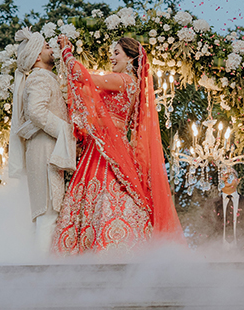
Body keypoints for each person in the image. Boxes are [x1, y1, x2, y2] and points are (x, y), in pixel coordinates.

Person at [52, 35, 182, 253]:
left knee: (106, 197)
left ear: (131, 58)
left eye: (116, 53)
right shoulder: (128, 84)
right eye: (111, 53)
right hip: (108, 144)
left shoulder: (124, 81)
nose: (111, 57)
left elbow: (83, 77)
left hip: (107, 148)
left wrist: (67, 52)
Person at [7, 29, 76, 252]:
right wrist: (65, 130)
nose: (51, 49)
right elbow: (36, 111)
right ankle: (42, 275)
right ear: (37, 55)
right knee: (48, 215)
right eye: (47, 47)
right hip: (46, 150)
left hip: (47, 148)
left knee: (50, 215)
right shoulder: (38, 78)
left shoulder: (44, 77)